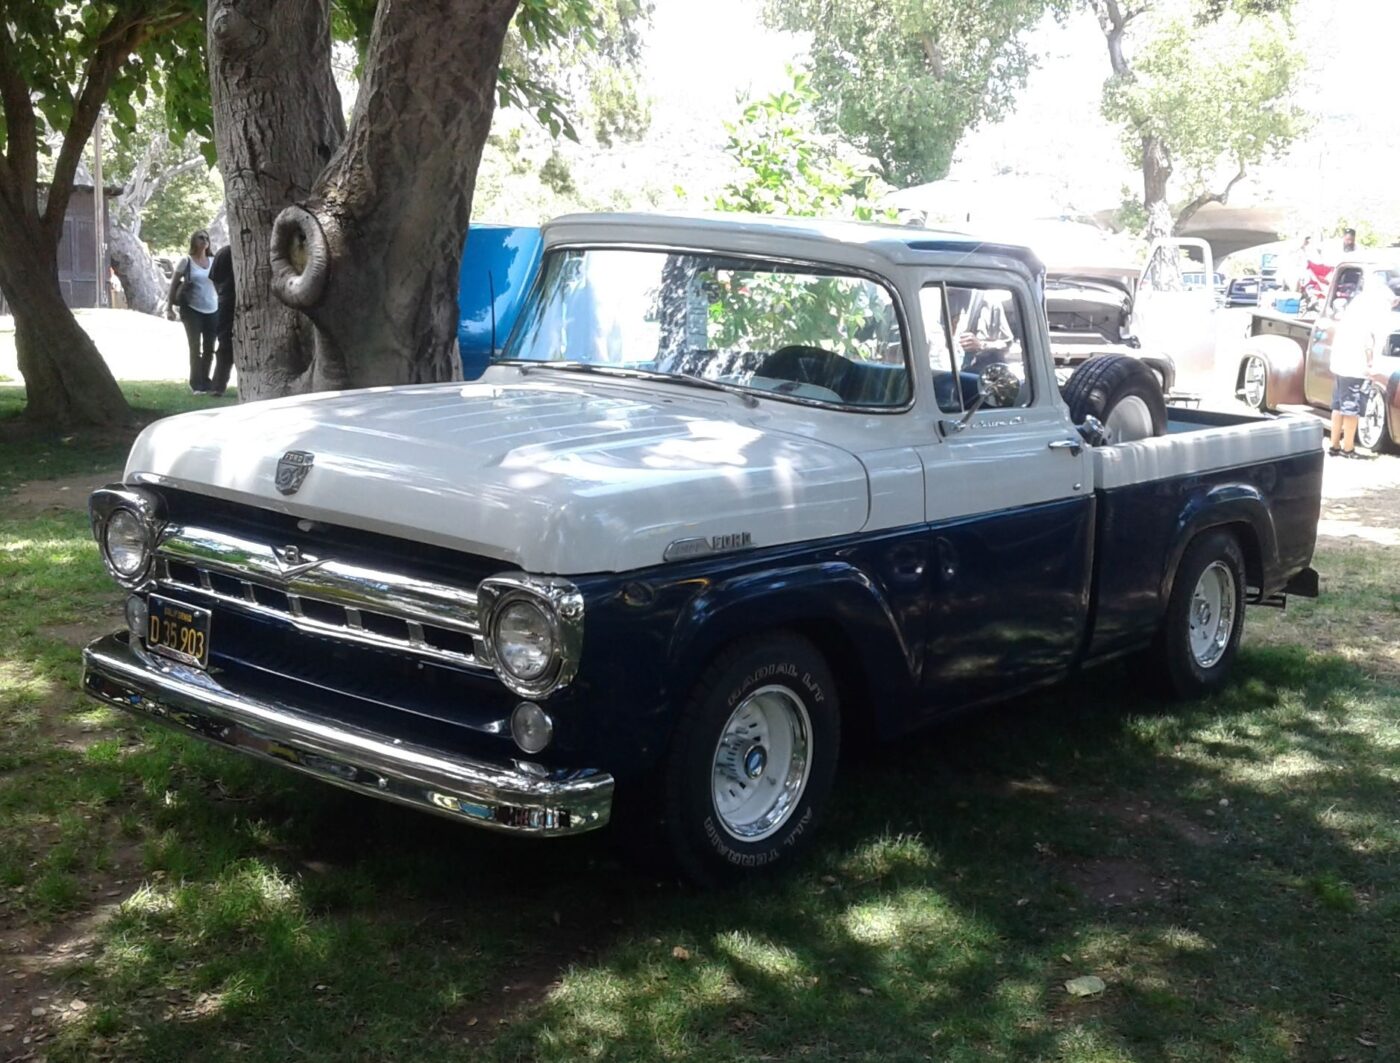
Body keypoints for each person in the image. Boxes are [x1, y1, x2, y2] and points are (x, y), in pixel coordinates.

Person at [1327, 273, 1389, 457]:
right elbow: (1368, 342)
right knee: (1351, 409)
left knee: (1338, 406)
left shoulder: (1356, 304)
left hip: (1339, 364)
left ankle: (1334, 445)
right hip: (1354, 367)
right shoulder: (1370, 309)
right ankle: (1348, 448)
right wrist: (1371, 365)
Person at [168, 229, 219, 393]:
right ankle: (196, 383)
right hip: (191, 309)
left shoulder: (213, 261)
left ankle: (205, 380)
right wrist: (169, 308)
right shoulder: (186, 261)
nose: (204, 240)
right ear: (193, 241)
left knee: (210, 347)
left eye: (206, 238)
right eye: (200, 238)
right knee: (195, 347)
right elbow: (173, 285)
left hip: (212, 308)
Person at [208, 243, 235, 396]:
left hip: (226, 300)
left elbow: (214, 277)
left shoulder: (224, 252)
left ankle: (218, 386)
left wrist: (221, 293)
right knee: (225, 343)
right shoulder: (226, 252)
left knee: (225, 342)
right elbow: (215, 277)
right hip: (228, 300)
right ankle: (218, 385)